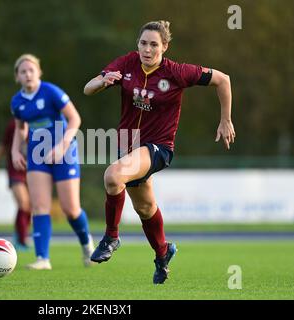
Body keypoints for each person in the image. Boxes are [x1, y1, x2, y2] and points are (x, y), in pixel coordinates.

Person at [83, 20, 235, 284]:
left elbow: (223, 80)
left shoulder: (177, 72)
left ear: (165, 47)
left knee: (112, 176)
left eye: (154, 44)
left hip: (158, 148)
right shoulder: (127, 63)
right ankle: (163, 253)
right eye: (143, 43)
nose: (148, 49)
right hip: (128, 146)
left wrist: (226, 119)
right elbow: (88, 88)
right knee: (145, 208)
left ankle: (111, 237)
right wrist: (103, 82)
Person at [11, 53, 95, 270]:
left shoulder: (51, 91)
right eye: (23, 71)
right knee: (39, 206)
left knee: (71, 209)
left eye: (31, 70)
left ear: (39, 72)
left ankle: (87, 245)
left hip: (64, 153)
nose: (28, 74)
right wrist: (15, 150)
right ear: (17, 77)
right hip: (37, 155)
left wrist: (63, 145)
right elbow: (21, 129)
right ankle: (42, 259)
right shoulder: (17, 102)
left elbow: (75, 118)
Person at [0, 118, 31, 251]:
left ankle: (20, 234)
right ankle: (21, 239)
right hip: (16, 171)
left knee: (29, 207)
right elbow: (2, 146)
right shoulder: (13, 125)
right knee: (23, 203)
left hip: (33, 173)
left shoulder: (40, 123)